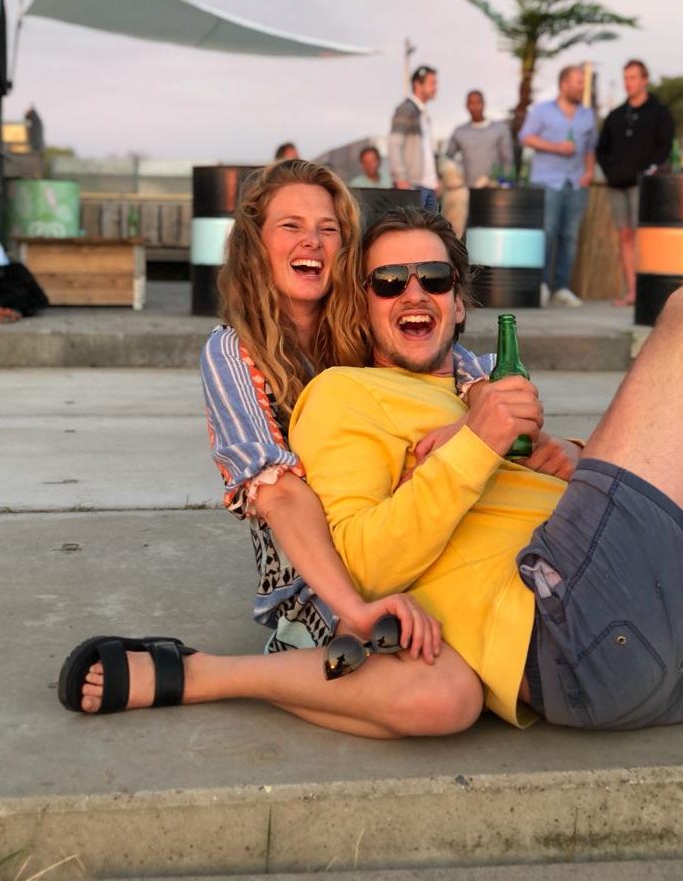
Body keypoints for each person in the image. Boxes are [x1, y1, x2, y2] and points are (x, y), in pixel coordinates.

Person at [62, 205, 683, 737]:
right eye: (387, 282)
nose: (413, 294)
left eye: (434, 278)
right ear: (362, 308)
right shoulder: (344, 395)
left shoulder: (476, 392)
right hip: (567, 623)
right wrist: (475, 444)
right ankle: (201, 672)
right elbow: (361, 566)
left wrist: (572, 461)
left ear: (459, 304)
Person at [58, 164, 492, 731]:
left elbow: (462, 365)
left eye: (328, 229)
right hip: (316, 567)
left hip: (404, 534)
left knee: (463, 674)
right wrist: (352, 607)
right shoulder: (234, 351)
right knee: (436, 696)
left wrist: (478, 409)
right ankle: (202, 673)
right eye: (291, 226)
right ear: (255, 245)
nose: (311, 241)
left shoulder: (370, 317)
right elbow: (278, 492)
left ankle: (328, 676)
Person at [596, 60, 675, 306]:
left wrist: (648, 171)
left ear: (644, 80)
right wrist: (611, 173)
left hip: (644, 185)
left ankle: (647, 293)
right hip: (617, 185)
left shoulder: (659, 112)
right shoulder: (616, 115)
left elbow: (665, 146)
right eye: (626, 77)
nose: (628, 82)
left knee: (644, 238)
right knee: (625, 236)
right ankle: (631, 291)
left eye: (633, 77)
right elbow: (601, 149)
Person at [519, 66, 597, 308]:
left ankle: (561, 287)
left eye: (583, 82)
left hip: (576, 183)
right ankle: (541, 286)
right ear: (564, 84)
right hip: (547, 181)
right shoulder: (542, 110)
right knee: (547, 233)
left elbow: (590, 148)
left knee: (570, 236)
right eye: (578, 82)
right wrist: (556, 147)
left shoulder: (587, 115)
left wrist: (589, 172)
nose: (582, 86)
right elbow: (525, 137)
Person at [388, 65, 440, 212]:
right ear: (418, 84)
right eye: (432, 83)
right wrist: (401, 177)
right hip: (412, 186)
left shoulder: (423, 113)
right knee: (415, 225)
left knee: (431, 225)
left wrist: (435, 179)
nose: (436, 87)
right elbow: (394, 144)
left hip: (428, 187)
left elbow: (427, 151)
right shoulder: (405, 109)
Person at [446, 90, 514, 187]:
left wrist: (503, 183)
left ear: (484, 104)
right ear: (466, 106)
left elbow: (507, 160)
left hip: (494, 189)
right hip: (468, 189)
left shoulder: (500, 129)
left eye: (478, 103)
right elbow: (448, 158)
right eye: (471, 103)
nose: (475, 107)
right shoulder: (459, 132)